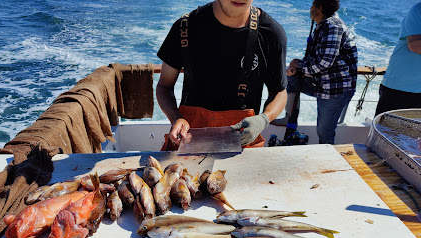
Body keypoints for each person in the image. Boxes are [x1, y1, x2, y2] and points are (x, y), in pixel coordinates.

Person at [156, 0, 287, 150]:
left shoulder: (272, 34)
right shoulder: (184, 27)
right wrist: (176, 118)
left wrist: (264, 119)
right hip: (187, 143)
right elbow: (164, 86)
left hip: (242, 146)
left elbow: (279, 91)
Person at [273, 0, 358, 145]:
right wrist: (296, 67)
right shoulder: (322, 26)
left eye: (313, 5)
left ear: (320, 8)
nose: (310, 8)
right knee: (291, 80)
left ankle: (326, 161)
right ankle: (289, 118)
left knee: (324, 133)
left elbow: (324, 63)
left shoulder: (333, 26)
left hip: (335, 90)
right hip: (321, 83)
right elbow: (315, 60)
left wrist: (299, 65)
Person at [375, 2, 421, 116]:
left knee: (415, 134)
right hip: (399, 88)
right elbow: (415, 45)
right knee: (384, 133)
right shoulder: (418, 9)